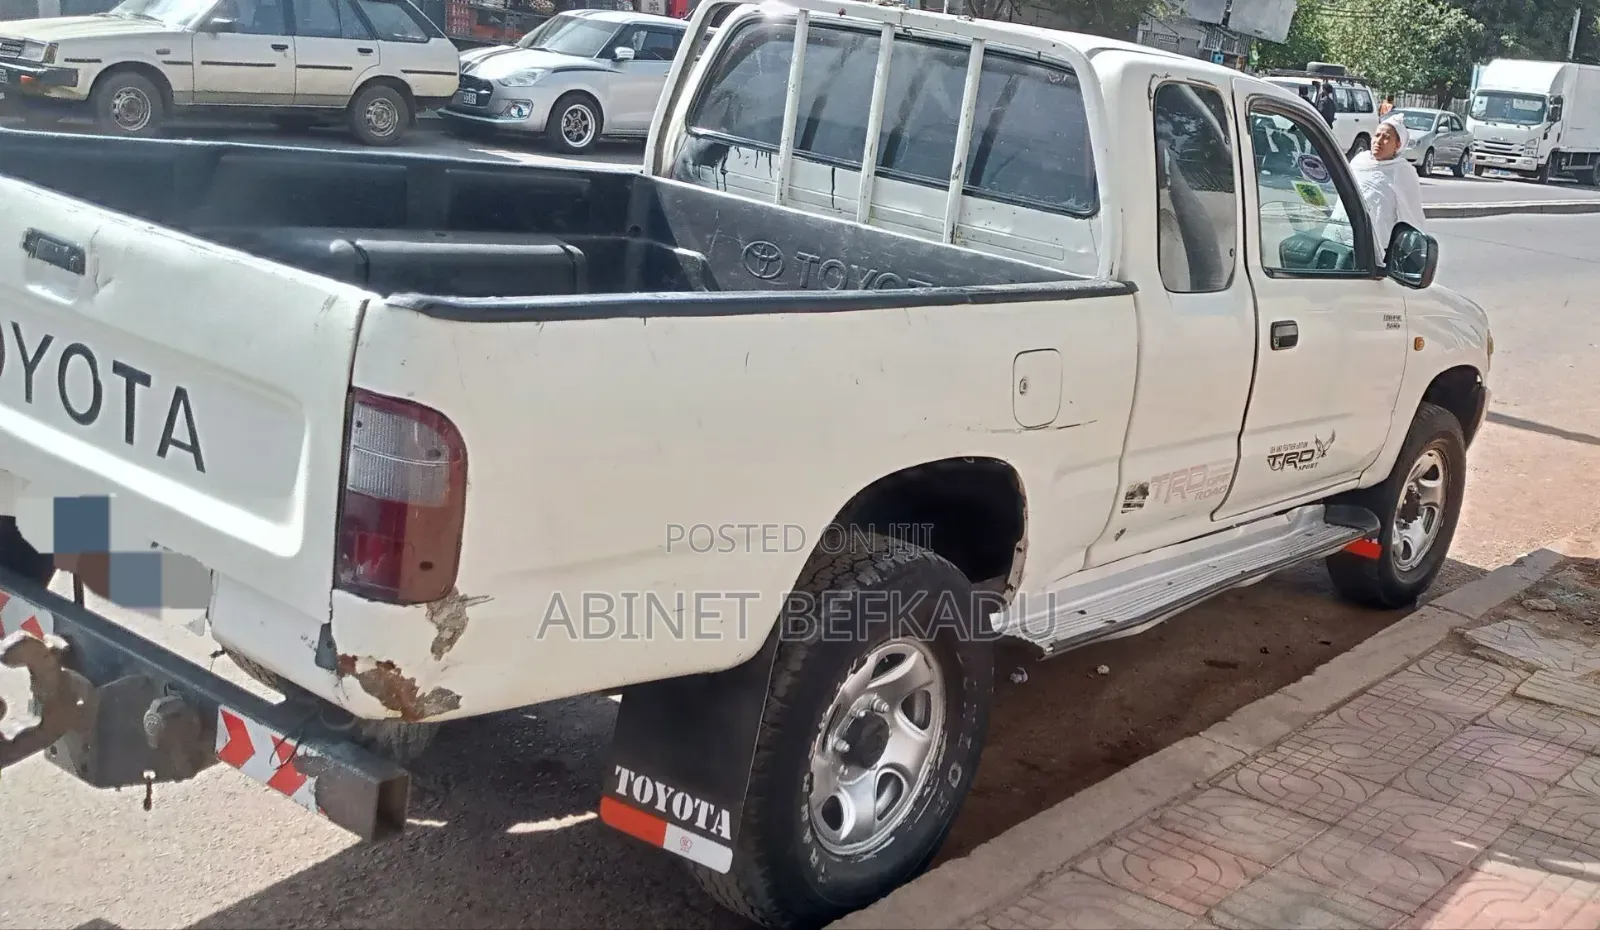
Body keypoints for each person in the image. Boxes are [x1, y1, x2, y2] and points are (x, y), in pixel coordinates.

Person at [1329, 116, 1426, 261]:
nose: (1378, 141)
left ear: (1397, 145)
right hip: (1338, 241)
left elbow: (1412, 214)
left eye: (1386, 137)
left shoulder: (1403, 171)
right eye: (1377, 135)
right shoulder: (1359, 161)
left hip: (1375, 249)